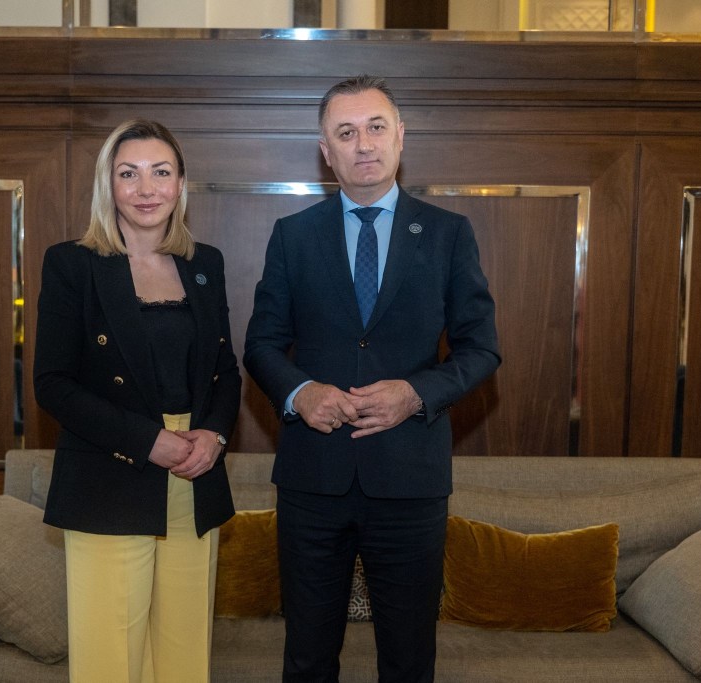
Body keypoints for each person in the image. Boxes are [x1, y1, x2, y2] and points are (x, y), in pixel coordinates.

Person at [243, 75, 501, 682]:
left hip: (410, 481)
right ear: (325, 151)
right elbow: (261, 344)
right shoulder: (293, 235)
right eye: (346, 132)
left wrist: (416, 393)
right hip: (313, 480)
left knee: (408, 661)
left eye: (376, 127)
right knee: (307, 659)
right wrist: (301, 392)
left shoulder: (448, 233)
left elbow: (481, 348)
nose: (363, 144)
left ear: (400, 137)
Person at [34, 118, 241, 683]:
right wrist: (148, 441)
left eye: (160, 172)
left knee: (184, 655)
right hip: (111, 471)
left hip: (194, 474)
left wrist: (215, 435)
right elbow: (52, 383)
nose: (146, 188)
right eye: (129, 174)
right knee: (109, 660)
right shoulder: (72, 264)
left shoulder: (206, 264)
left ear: (181, 184)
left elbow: (224, 370)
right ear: (109, 184)